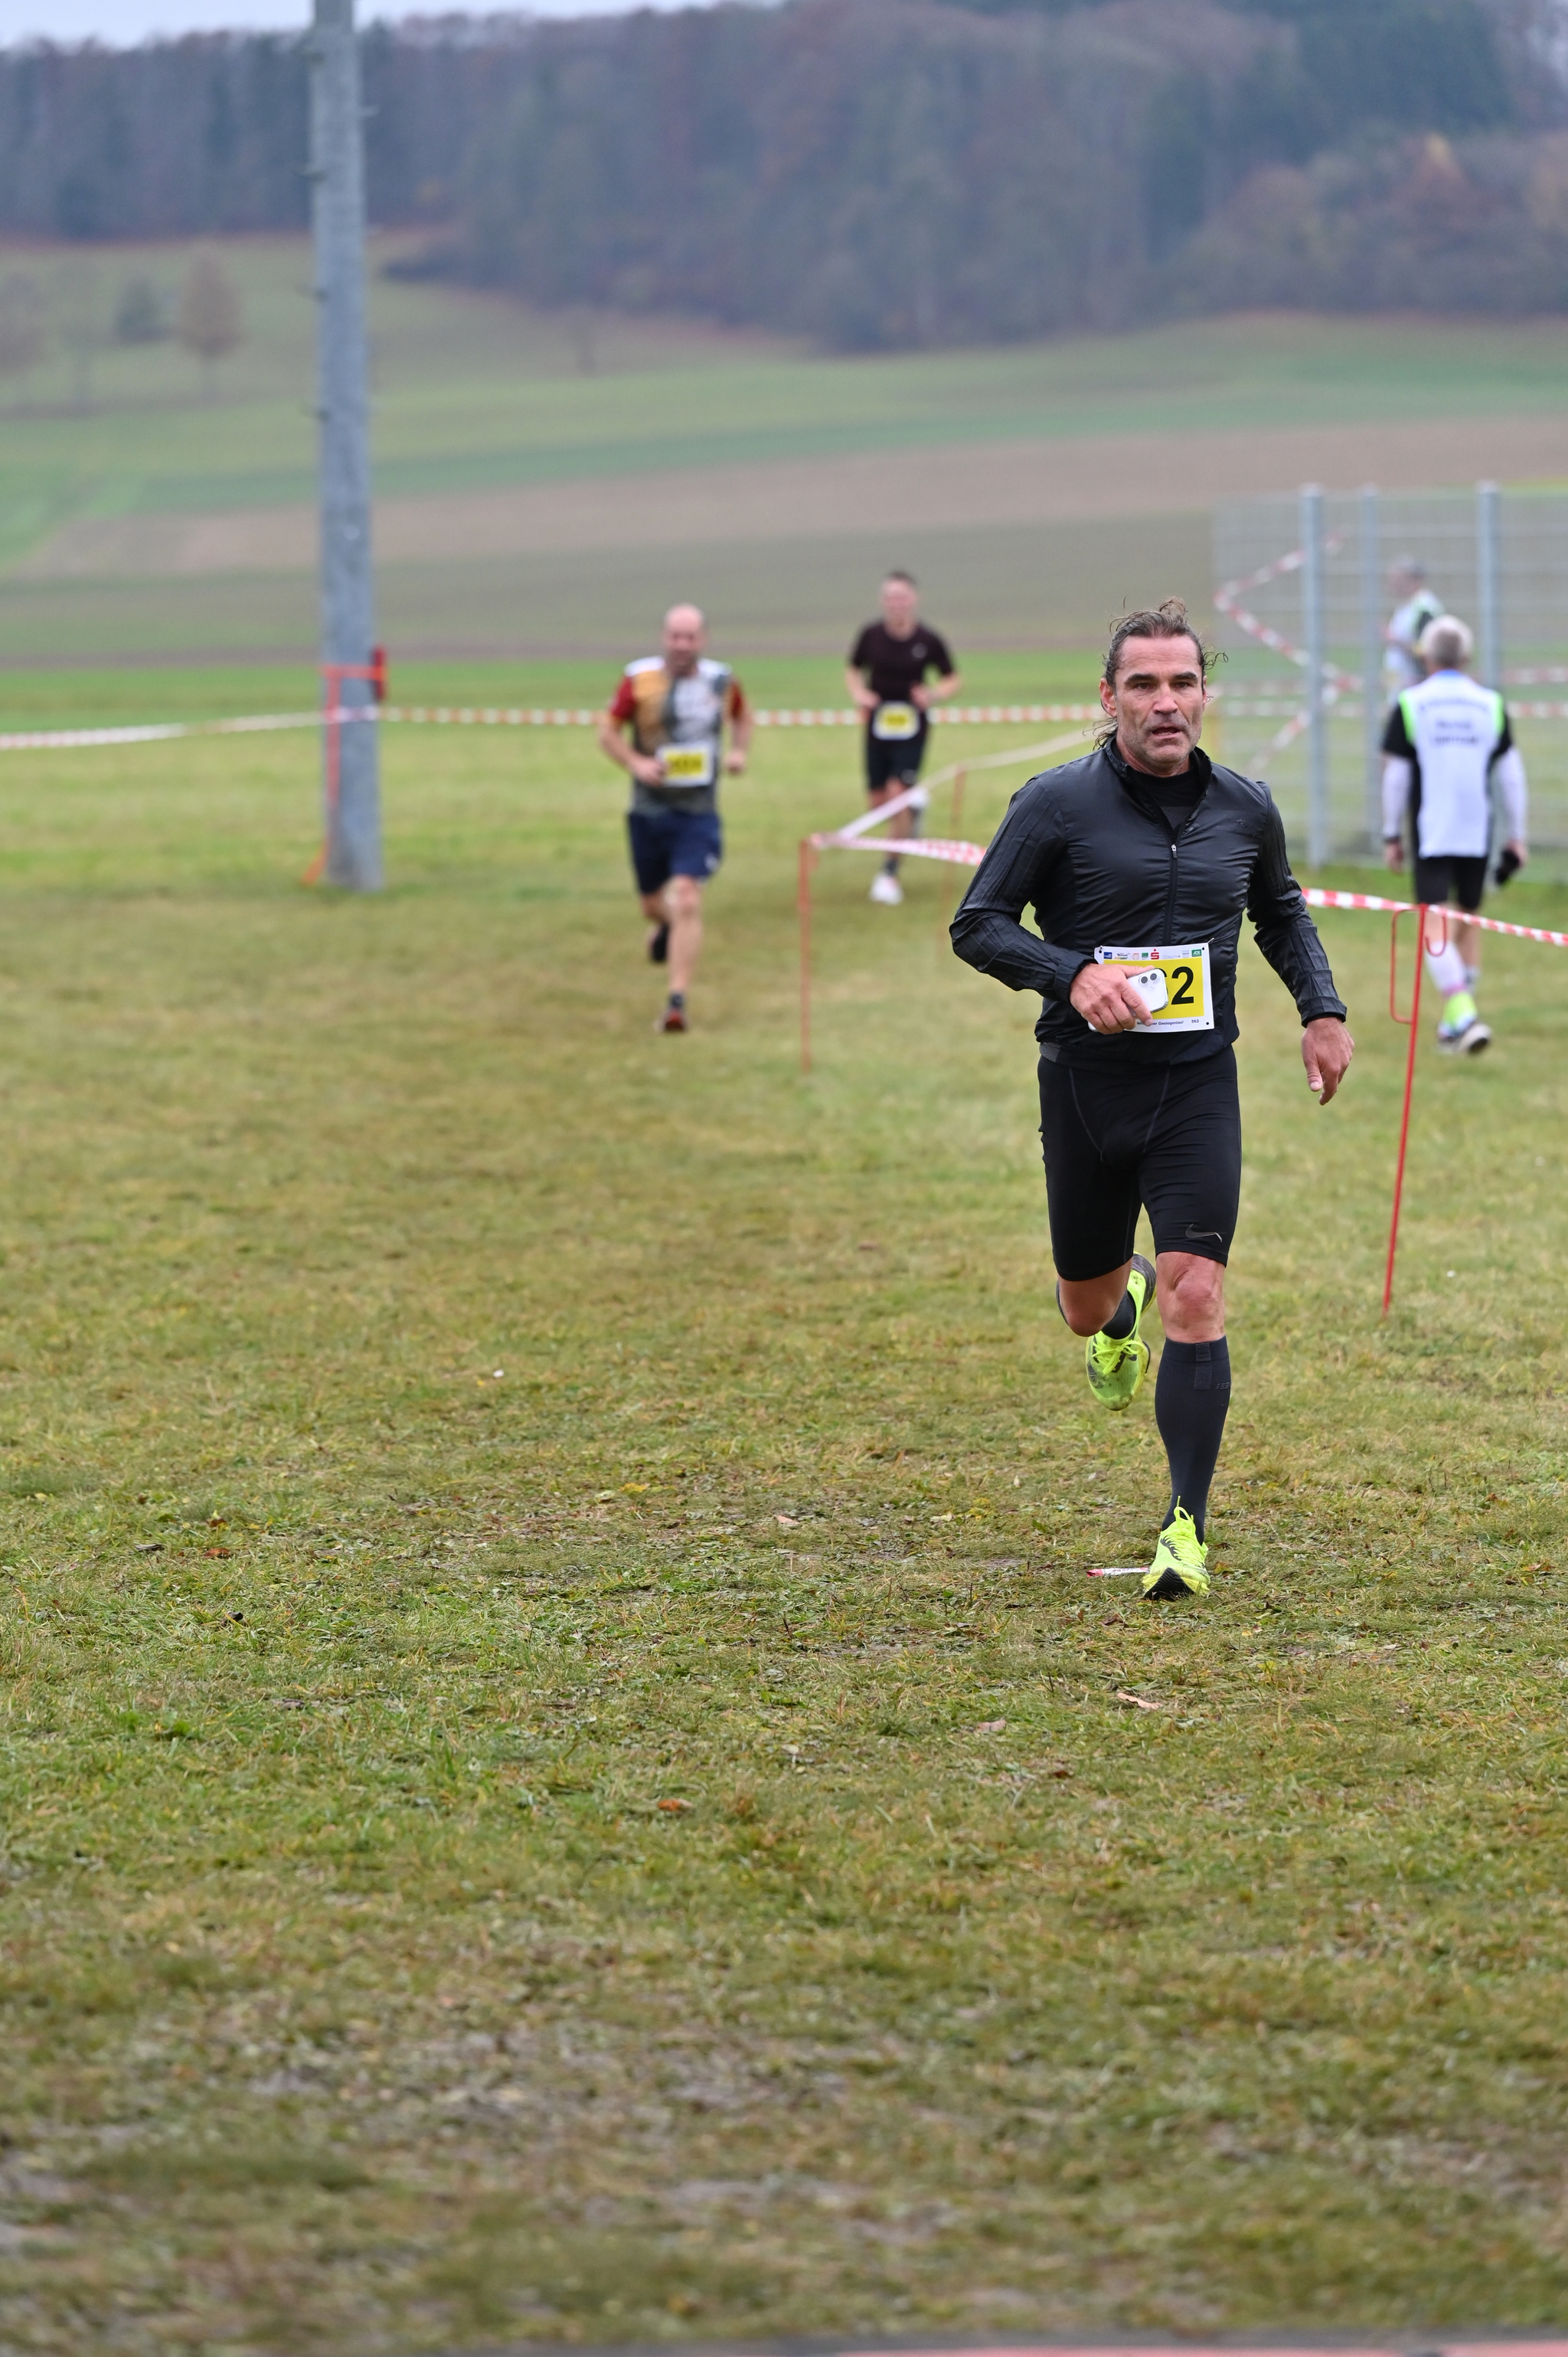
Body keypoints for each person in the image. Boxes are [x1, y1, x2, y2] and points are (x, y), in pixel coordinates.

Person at [950, 600, 1353, 1600]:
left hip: (1195, 1085)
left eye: (1182, 682)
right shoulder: (1054, 804)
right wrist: (1069, 973)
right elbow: (978, 922)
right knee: (1085, 1306)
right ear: (1109, 696)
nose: (1165, 702)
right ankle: (1117, 1301)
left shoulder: (1245, 808)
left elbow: (1280, 911)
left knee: (1198, 1293)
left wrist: (1322, 1009)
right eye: (1143, 684)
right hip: (1085, 1086)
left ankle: (1185, 1525)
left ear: (1204, 694)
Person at [596, 604, 752, 1033]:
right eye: (675, 636)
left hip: (698, 812)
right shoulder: (639, 679)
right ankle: (667, 927)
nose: (682, 645)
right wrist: (635, 763)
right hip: (648, 810)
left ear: (704, 639)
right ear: (664, 637)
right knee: (652, 905)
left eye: (690, 637)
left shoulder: (721, 680)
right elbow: (607, 731)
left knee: (687, 897)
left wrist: (739, 752)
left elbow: (743, 716)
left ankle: (676, 1001)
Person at [1382, 613, 1528, 1056]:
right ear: (1466, 657)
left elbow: (1396, 778)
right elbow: (1512, 777)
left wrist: (1391, 834)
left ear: (1426, 657)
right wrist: (1517, 836)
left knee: (1435, 926)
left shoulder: (1411, 704)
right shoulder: (1491, 704)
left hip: (1432, 830)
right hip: (1477, 830)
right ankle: (1455, 1028)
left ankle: (1462, 1014)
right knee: (1468, 922)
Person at [845, 571, 960, 906]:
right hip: (877, 727)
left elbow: (952, 678)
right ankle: (914, 809)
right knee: (878, 805)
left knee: (897, 794)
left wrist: (933, 694)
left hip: (912, 729)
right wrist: (860, 694)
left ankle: (889, 875)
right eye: (891, 598)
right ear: (883, 601)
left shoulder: (928, 639)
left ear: (913, 600)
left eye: (902, 597)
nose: (897, 604)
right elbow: (853, 669)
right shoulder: (870, 636)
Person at [1383, 557, 1446, 701]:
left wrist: (1395, 640)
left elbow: (1427, 649)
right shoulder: (1407, 607)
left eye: (1399, 579)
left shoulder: (1424, 608)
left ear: (1415, 580)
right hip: (1404, 685)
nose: (1394, 584)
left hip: (1417, 685)